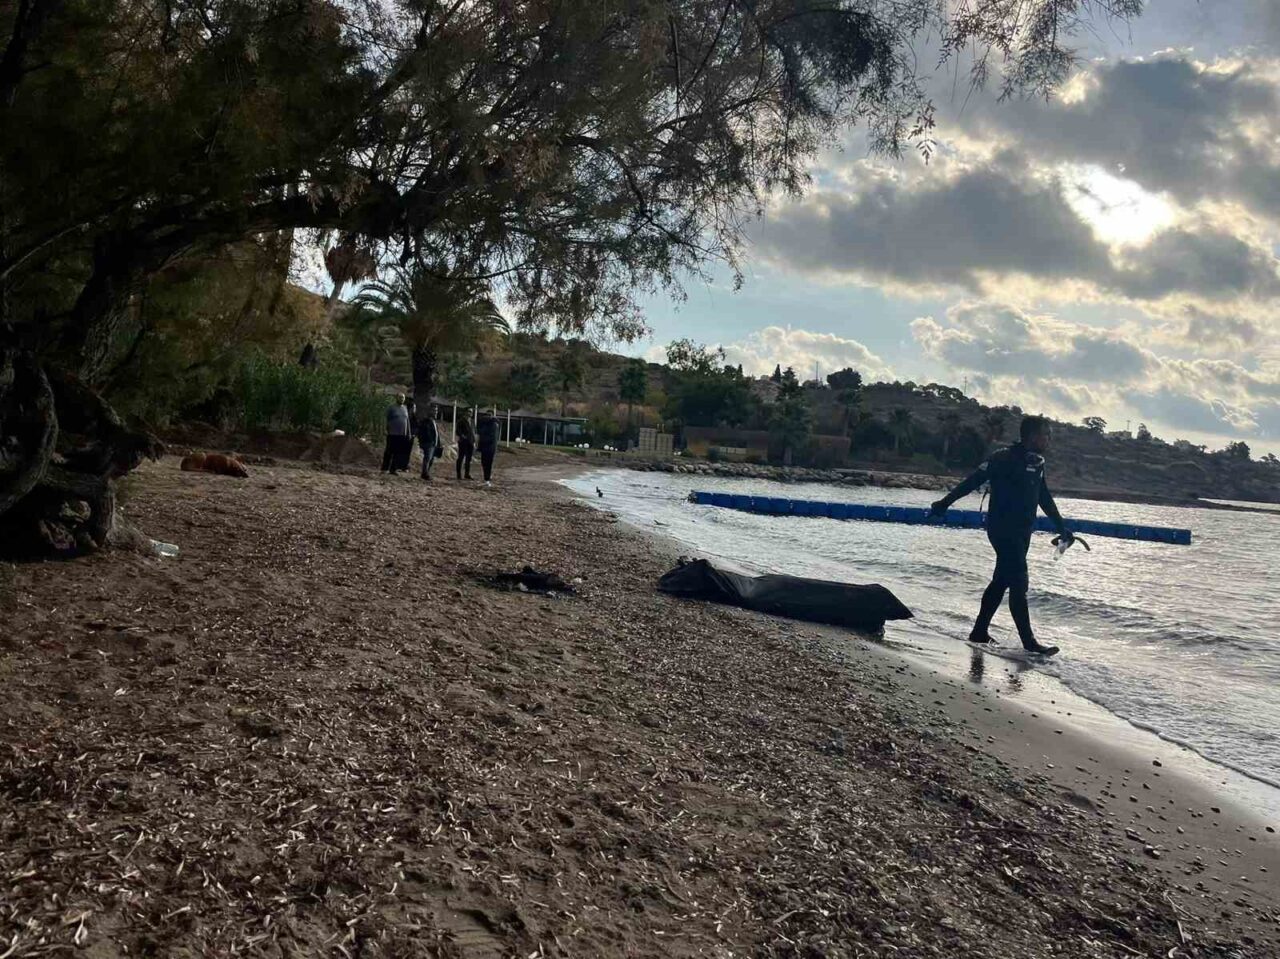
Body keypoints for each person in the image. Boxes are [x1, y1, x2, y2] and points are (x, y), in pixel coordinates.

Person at [929, 414, 1073, 656]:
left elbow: (1043, 496)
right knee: (1019, 583)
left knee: (1001, 580)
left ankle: (979, 632)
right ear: (1032, 436)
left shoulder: (1037, 463)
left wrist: (1061, 527)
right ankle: (1029, 644)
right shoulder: (1003, 458)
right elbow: (972, 481)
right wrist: (944, 503)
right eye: (1046, 435)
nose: (1049, 439)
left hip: (1023, 532)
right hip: (1003, 529)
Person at [381, 393, 411, 474]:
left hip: (402, 434)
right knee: (389, 451)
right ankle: (385, 468)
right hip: (392, 433)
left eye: (403, 397)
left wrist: (409, 433)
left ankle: (393, 469)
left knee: (398, 453)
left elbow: (407, 421)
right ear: (396, 398)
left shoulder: (405, 408)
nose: (402, 399)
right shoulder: (391, 408)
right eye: (400, 397)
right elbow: (385, 419)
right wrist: (384, 429)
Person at [477, 409, 501, 486]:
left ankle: (487, 479)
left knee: (488, 463)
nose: (487, 416)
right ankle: (486, 477)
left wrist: (484, 440)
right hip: (484, 447)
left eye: (489, 415)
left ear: (492, 416)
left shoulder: (494, 424)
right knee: (483, 463)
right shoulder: (484, 423)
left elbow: (492, 437)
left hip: (490, 447)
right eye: (486, 415)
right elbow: (479, 431)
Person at [417, 402, 440, 481]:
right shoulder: (426, 420)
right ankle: (425, 473)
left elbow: (436, 433)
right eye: (434, 410)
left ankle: (426, 472)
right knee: (427, 458)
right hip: (428, 443)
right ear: (430, 410)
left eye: (436, 410)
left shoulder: (434, 421)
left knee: (431, 459)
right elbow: (424, 432)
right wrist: (428, 441)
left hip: (434, 443)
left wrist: (438, 442)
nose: (436, 412)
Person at [455, 412, 475, 481]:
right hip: (463, 442)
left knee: (468, 459)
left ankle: (467, 474)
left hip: (470, 442)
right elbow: (457, 431)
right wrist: (462, 436)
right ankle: (458, 474)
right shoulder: (461, 421)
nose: (470, 413)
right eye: (469, 411)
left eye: (471, 412)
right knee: (460, 458)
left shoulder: (472, 421)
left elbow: (473, 431)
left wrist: (474, 440)